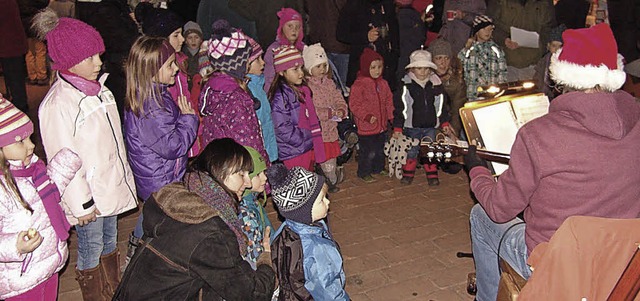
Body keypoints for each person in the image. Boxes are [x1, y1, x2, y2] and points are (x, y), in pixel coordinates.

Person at [463, 23, 640, 301]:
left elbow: (499, 208)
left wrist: (476, 170)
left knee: (482, 216)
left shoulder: (539, 134)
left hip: (555, 264)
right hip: (623, 262)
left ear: (562, 77)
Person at [33, 9, 139, 299]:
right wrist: (81, 204)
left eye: (98, 55)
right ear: (68, 61)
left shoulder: (100, 91)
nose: (99, 62)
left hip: (108, 186)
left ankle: (112, 288)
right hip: (88, 195)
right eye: (90, 57)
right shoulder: (59, 105)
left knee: (109, 240)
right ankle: (95, 294)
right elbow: (62, 160)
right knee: (91, 247)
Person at [115, 138, 276, 300]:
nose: (248, 183)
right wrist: (265, 260)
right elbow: (251, 294)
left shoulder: (180, 195)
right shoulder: (210, 231)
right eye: (241, 174)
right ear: (220, 171)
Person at [123, 36, 199, 268]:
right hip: (160, 179)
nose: (176, 68)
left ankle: (140, 253)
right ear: (151, 70)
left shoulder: (156, 94)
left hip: (162, 175)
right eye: (170, 65)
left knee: (154, 217)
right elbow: (173, 145)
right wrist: (189, 120)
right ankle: (140, 259)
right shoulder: (150, 106)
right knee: (160, 221)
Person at [0, 97, 81, 301]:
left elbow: (48, 195)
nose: (30, 146)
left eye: (29, 138)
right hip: (19, 279)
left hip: (47, 265)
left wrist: (65, 164)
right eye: (20, 141)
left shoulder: (32, 170)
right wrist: (15, 247)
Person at [267, 163, 349, 300]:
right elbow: (327, 288)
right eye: (321, 201)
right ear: (303, 212)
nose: (328, 203)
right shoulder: (317, 247)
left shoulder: (286, 228)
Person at [198, 19, 268, 161]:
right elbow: (250, 143)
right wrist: (263, 172)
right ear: (238, 63)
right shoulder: (236, 98)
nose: (248, 62)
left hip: (224, 169)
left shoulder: (213, 90)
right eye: (246, 58)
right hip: (245, 171)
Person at [393, 49, 453, 186]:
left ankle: (432, 173)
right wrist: (398, 126)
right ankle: (408, 172)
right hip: (412, 126)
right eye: (419, 68)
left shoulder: (435, 85)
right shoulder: (406, 86)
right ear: (413, 69)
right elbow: (400, 107)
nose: (423, 72)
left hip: (430, 125)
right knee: (412, 151)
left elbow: (441, 105)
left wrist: (444, 122)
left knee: (429, 149)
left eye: (426, 68)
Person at [269, 45, 326, 171]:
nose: (301, 73)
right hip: (294, 151)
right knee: (299, 184)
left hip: (305, 146)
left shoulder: (301, 91)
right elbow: (282, 127)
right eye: (295, 69)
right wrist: (303, 138)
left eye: (301, 68)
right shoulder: (281, 96)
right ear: (281, 72)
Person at [303, 43, 349, 192]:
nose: (322, 69)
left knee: (330, 159)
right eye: (318, 67)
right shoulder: (307, 87)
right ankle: (326, 182)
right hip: (318, 132)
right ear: (309, 68)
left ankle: (331, 178)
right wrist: (328, 113)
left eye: (324, 66)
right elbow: (311, 110)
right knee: (320, 160)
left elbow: (338, 98)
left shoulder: (329, 83)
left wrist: (342, 109)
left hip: (331, 130)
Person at [349, 48, 394, 182]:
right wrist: (366, 116)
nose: (377, 70)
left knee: (380, 150)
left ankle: (378, 168)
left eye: (379, 67)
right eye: (373, 67)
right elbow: (354, 105)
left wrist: (391, 116)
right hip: (366, 126)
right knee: (368, 152)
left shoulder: (383, 83)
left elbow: (388, 101)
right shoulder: (359, 85)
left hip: (381, 125)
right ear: (365, 67)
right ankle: (364, 171)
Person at [487, 0, 554, 82]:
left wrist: (541, 43)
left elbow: (549, 27)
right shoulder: (500, 2)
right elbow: (490, 24)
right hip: (505, 61)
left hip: (534, 62)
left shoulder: (544, 3)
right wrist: (504, 39)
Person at [337, 0, 399, 88]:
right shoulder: (353, 5)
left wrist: (395, 56)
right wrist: (365, 37)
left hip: (386, 66)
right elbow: (341, 34)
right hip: (362, 67)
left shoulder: (387, 4)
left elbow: (395, 33)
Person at [239, 146, 274, 268]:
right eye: (258, 174)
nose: (265, 178)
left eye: (264, 172)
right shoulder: (245, 214)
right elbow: (255, 257)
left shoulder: (253, 201)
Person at [246, 36, 279, 163]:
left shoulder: (259, 85)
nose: (263, 62)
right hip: (259, 153)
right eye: (257, 59)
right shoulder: (248, 90)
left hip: (269, 150)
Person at [458, 15, 507, 100]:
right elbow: (459, 63)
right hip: (473, 95)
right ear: (477, 31)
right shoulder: (469, 49)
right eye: (484, 29)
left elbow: (502, 73)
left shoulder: (496, 50)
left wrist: (500, 91)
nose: (487, 32)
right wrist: (467, 47)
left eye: (490, 29)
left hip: (493, 95)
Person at [428, 38, 467, 138]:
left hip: (448, 122)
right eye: (439, 58)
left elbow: (457, 110)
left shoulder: (457, 80)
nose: (443, 63)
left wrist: (454, 133)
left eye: (446, 58)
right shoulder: (424, 79)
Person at [262, 7, 305, 92]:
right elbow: (269, 78)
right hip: (282, 93)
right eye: (290, 26)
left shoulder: (304, 48)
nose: (294, 30)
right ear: (282, 28)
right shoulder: (274, 50)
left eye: (298, 26)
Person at [0, 0, 29, 113]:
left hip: (8, 45)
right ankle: (20, 104)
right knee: (15, 78)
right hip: (13, 44)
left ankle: (20, 106)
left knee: (14, 78)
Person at [533, 24, 566, 101]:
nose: (557, 49)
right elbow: (538, 79)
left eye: (560, 46)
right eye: (554, 45)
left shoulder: (568, 63)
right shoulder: (544, 61)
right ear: (548, 46)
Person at [181, 21, 203, 90]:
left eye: (196, 37)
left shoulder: (205, 54)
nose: (193, 41)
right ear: (185, 40)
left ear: (201, 40)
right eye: (190, 38)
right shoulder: (181, 55)